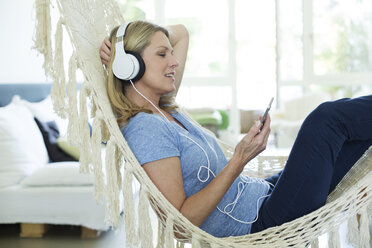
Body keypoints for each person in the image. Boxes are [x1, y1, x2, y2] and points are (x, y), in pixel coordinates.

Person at [100, 20, 372, 237]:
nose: (175, 61)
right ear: (130, 68)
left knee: (351, 137)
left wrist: (124, 45)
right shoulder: (145, 129)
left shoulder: (163, 108)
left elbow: (181, 33)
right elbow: (181, 223)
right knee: (325, 121)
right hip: (263, 221)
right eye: (162, 54)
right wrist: (240, 158)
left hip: (265, 193)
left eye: (170, 52)